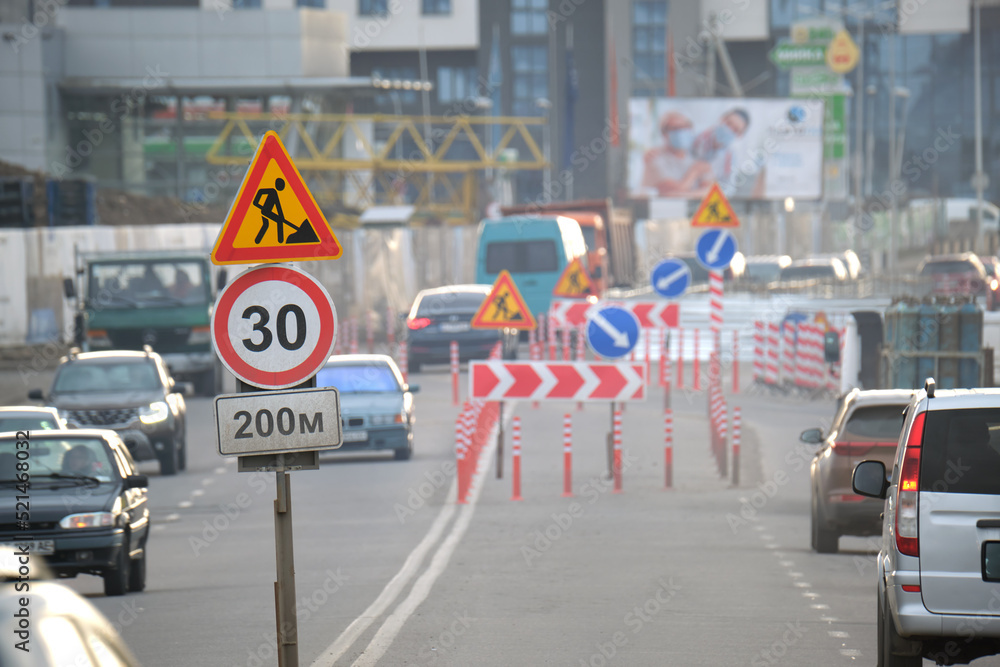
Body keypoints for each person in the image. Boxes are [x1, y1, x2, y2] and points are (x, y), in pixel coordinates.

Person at [641, 111, 713, 198]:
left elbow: (709, 192)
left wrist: (683, 194)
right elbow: (672, 192)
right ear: (664, 134)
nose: (682, 132)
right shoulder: (654, 157)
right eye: (675, 128)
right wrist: (694, 172)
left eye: (686, 127)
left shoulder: (696, 159)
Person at [690, 108, 750, 182]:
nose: (729, 130)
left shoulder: (730, 158)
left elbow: (726, 187)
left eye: (735, 129)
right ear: (722, 118)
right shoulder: (696, 136)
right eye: (729, 123)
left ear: (739, 135)